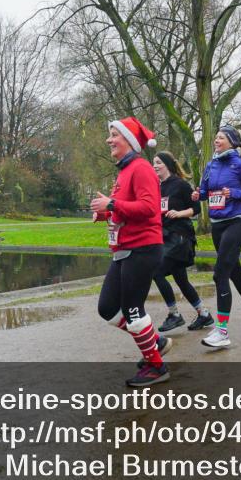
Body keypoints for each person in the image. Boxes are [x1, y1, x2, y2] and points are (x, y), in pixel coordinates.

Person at [90, 116, 170, 387]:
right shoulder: (124, 171)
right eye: (109, 134)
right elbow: (122, 208)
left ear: (130, 141)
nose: (108, 139)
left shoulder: (141, 168)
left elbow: (149, 208)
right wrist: (105, 212)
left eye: (114, 134)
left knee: (133, 308)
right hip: (125, 250)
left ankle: (156, 366)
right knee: (108, 309)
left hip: (143, 248)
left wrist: (111, 203)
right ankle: (154, 341)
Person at [191, 125, 241, 348]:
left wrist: (234, 193)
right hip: (217, 225)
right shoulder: (211, 164)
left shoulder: (240, 164)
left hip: (237, 223)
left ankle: (222, 331)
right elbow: (205, 192)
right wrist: (198, 194)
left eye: (221, 137)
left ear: (232, 142)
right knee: (235, 274)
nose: (216, 140)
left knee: (220, 273)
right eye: (215, 137)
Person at [152, 151, 213, 333]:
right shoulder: (156, 187)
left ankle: (175, 315)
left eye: (158, 163)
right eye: (153, 163)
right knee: (181, 280)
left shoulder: (180, 185)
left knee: (156, 271)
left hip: (180, 237)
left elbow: (196, 209)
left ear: (168, 165)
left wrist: (179, 214)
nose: (155, 166)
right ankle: (204, 314)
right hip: (165, 237)